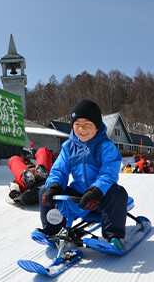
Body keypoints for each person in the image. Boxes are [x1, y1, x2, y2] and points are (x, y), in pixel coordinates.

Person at [37, 99, 127, 250]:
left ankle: (113, 237)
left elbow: (108, 173)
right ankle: (52, 229)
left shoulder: (106, 147)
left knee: (118, 193)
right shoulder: (68, 147)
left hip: (100, 198)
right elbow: (59, 170)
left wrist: (96, 191)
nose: (81, 129)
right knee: (43, 191)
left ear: (97, 127)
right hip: (79, 196)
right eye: (77, 124)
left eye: (87, 124)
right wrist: (54, 186)